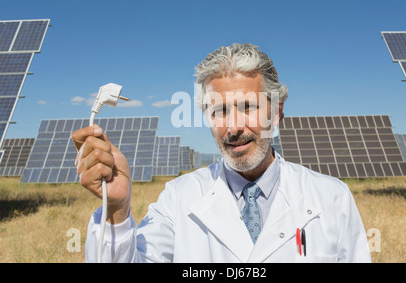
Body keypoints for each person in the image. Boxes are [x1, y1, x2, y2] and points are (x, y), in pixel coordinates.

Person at [72, 43, 371, 263]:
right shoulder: (178, 199)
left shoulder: (332, 198)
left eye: (248, 107)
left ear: (277, 111)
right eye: (219, 111)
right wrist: (117, 210)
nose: (233, 127)